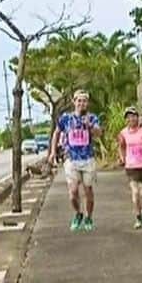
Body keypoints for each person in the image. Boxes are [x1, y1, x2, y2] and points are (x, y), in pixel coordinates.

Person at [50, 90, 101, 231]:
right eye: (79, 100)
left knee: (88, 190)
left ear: (87, 103)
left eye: (84, 101)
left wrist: (90, 126)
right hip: (71, 159)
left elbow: (98, 132)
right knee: (72, 193)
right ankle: (78, 214)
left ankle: (89, 217)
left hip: (87, 159)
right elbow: (57, 133)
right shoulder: (66, 118)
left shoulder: (92, 118)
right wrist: (53, 152)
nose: (81, 103)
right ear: (74, 102)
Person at [117, 105, 142, 228]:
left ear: (138, 117)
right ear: (126, 119)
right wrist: (122, 158)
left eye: (133, 116)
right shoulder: (123, 132)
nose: (131, 119)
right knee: (135, 192)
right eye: (129, 117)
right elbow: (121, 146)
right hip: (131, 166)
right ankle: (138, 217)